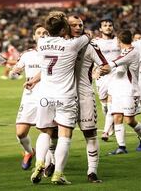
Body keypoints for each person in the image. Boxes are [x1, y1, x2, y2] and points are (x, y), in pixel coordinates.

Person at [29, 11, 90, 185]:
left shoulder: (41, 42)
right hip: (65, 96)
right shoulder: (73, 44)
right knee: (64, 135)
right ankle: (58, 174)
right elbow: (88, 36)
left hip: (45, 96)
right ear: (64, 28)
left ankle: (40, 162)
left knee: (45, 132)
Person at [67, 15, 110, 182]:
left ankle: (92, 171)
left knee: (90, 133)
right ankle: (52, 163)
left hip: (84, 94)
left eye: (81, 25)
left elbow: (105, 65)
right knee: (57, 133)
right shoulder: (60, 45)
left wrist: (99, 70)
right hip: (63, 96)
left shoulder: (90, 45)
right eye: (74, 25)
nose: (78, 27)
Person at [11, 24, 49, 170]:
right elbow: (15, 72)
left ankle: (46, 163)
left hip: (47, 96)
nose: (42, 34)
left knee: (46, 131)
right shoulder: (27, 54)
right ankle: (29, 152)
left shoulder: (54, 53)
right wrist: (15, 71)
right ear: (34, 37)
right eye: (39, 32)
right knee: (20, 133)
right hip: (29, 96)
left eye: (45, 32)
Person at [106, 30, 141, 155]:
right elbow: (119, 70)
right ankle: (121, 147)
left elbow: (114, 64)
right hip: (118, 90)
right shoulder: (124, 52)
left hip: (130, 90)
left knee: (129, 120)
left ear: (119, 41)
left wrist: (101, 69)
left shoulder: (132, 52)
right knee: (117, 117)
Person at [93, 18, 121, 141]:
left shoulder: (118, 41)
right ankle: (110, 124)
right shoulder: (95, 42)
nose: (108, 27)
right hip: (101, 76)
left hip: (116, 75)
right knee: (104, 105)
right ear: (100, 29)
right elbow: (90, 57)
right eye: (105, 25)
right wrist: (94, 71)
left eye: (110, 25)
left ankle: (105, 131)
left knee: (111, 105)